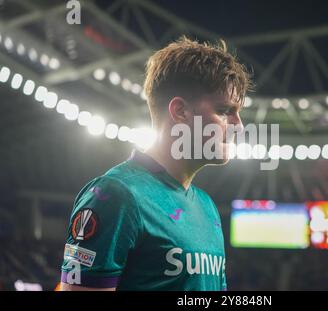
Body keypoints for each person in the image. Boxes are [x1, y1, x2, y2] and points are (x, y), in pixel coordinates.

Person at [60, 36, 252, 290]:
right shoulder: (115, 195)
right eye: (225, 110)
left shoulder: (207, 207)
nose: (238, 125)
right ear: (180, 111)